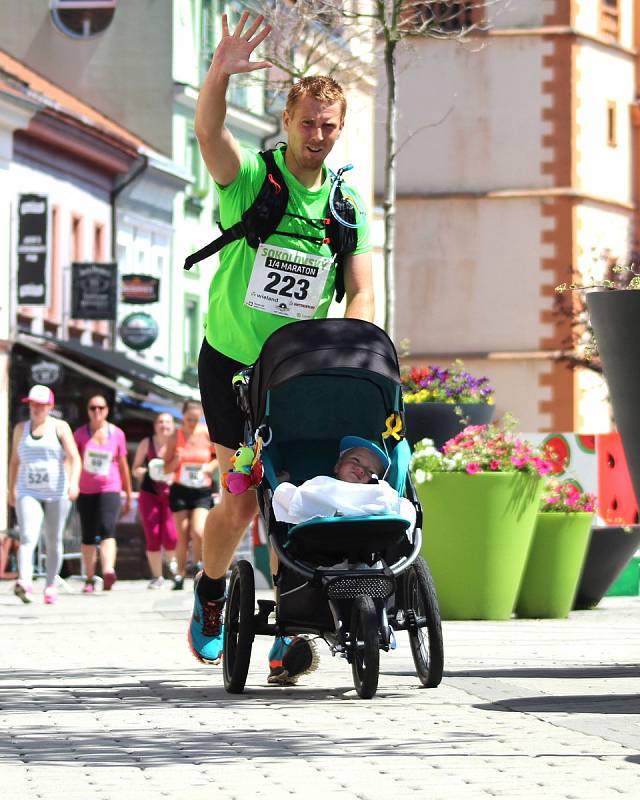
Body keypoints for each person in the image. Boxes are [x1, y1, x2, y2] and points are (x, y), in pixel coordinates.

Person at [189, 10, 374, 684]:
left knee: (299, 496)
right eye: (308, 124)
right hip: (235, 363)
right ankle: (213, 593)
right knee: (241, 501)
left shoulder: (345, 206)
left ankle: (291, 630)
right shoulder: (254, 181)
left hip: (301, 373)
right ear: (288, 121)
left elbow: (362, 292)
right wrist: (218, 72)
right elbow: (208, 131)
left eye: (330, 126)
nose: (319, 136)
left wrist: (354, 352)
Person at [8, 385, 81, 604]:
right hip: (27, 489)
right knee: (28, 536)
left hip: (56, 490)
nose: (36, 409)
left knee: (53, 538)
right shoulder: (21, 428)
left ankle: (50, 585)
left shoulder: (60, 428)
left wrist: (74, 483)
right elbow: (14, 460)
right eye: (32, 404)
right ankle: (25, 582)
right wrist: (11, 488)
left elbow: (74, 457)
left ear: (50, 406)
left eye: (41, 405)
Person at [272, 437, 416, 528]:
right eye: (355, 460)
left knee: (404, 505)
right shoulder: (321, 484)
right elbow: (298, 499)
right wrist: (281, 484)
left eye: (370, 471)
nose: (360, 469)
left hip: (368, 531)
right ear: (337, 466)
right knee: (286, 491)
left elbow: (396, 505)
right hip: (319, 532)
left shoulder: (377, 492)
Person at [73, 394, 132, 593]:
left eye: (101, 407)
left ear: (107, 410)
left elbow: (124, 466)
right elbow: (74, 461)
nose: (97, 411)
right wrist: (72, 484)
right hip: (86, 489)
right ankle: (89, 578)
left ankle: (108, 570)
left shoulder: (117, 434)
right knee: (88, 533)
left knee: (108, 528)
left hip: (110, 488)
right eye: (92, 408)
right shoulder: (80, 434)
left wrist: (128, 494)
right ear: (88, 410)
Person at [163, 400, 218, 591]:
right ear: (183, 417)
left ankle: (197, 565)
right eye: (189, 419)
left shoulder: (206, 433)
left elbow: (218, 456)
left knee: (198, 531)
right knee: (183, 533)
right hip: (180, 489)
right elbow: (165, 467)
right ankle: (179, 574)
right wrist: (177, 460)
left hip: (201, 490)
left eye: (196, 419)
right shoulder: (174, 436)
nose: (192, 423)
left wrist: (209, 468)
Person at [131, 412, 178, 589]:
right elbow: (135, 469)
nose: (164, 425)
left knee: (171, 535)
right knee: (153, 535)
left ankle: (172, 564)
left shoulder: (177, 443)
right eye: (160, 422)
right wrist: (146, 472)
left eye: (167, 422)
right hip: (149, 493)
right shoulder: (146, 443)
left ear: (173, 425)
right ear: (155, 425)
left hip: (172, 494)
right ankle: (157, 576)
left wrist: (175, 476)